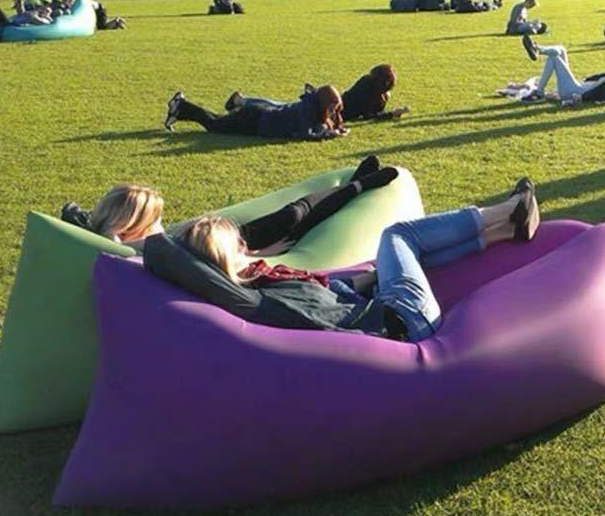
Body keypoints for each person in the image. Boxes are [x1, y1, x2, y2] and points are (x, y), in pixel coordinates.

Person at [174, 179, 540, 343]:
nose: (246, 246)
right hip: (402, 319)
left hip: (391, 315)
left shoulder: (261, 289)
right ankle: (508, 209)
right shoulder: (263, 297)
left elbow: (327, 302)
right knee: (397, 236)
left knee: (401, 260)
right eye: (238, 243)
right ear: (226, 255)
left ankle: (506, 231)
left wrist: (369, 277)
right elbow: (324, 310)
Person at [65, 159, 399, 260]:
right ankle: (358, 186)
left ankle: (352, 184)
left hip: (223, 237)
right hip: (235, 246)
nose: (161, 226)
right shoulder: (134, 251)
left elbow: (72, 212)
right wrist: (259, 257)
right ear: (132, 224)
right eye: (156, 220)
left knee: (295, 213)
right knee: (296, 217)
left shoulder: (123, 241)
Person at [520, 23, 605, 105]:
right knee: (561, 49)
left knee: (554, 58)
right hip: (586, 86)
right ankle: (538, 49)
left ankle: (539, 93)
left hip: (578, 91)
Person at [226, 64, 410, 124]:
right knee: (279, 107)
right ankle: (242, 102)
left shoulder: (369, 85)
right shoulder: (367, 89)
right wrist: (391, 114)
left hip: (328, 107)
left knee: (281, 106)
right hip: (325, 110)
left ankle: (242, 102)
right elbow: (368, 115)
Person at [164, 85, 348, 140]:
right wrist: (330, 134)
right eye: (332, 107)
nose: (333, 112)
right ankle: (181, 106)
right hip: (256, 119)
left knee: (219, 121)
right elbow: (304, 133)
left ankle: (180, 109)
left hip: (259, 118)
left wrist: (333, 128)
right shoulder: (307, 109)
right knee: (215, 125)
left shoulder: (312, 105)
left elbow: (317, 125)